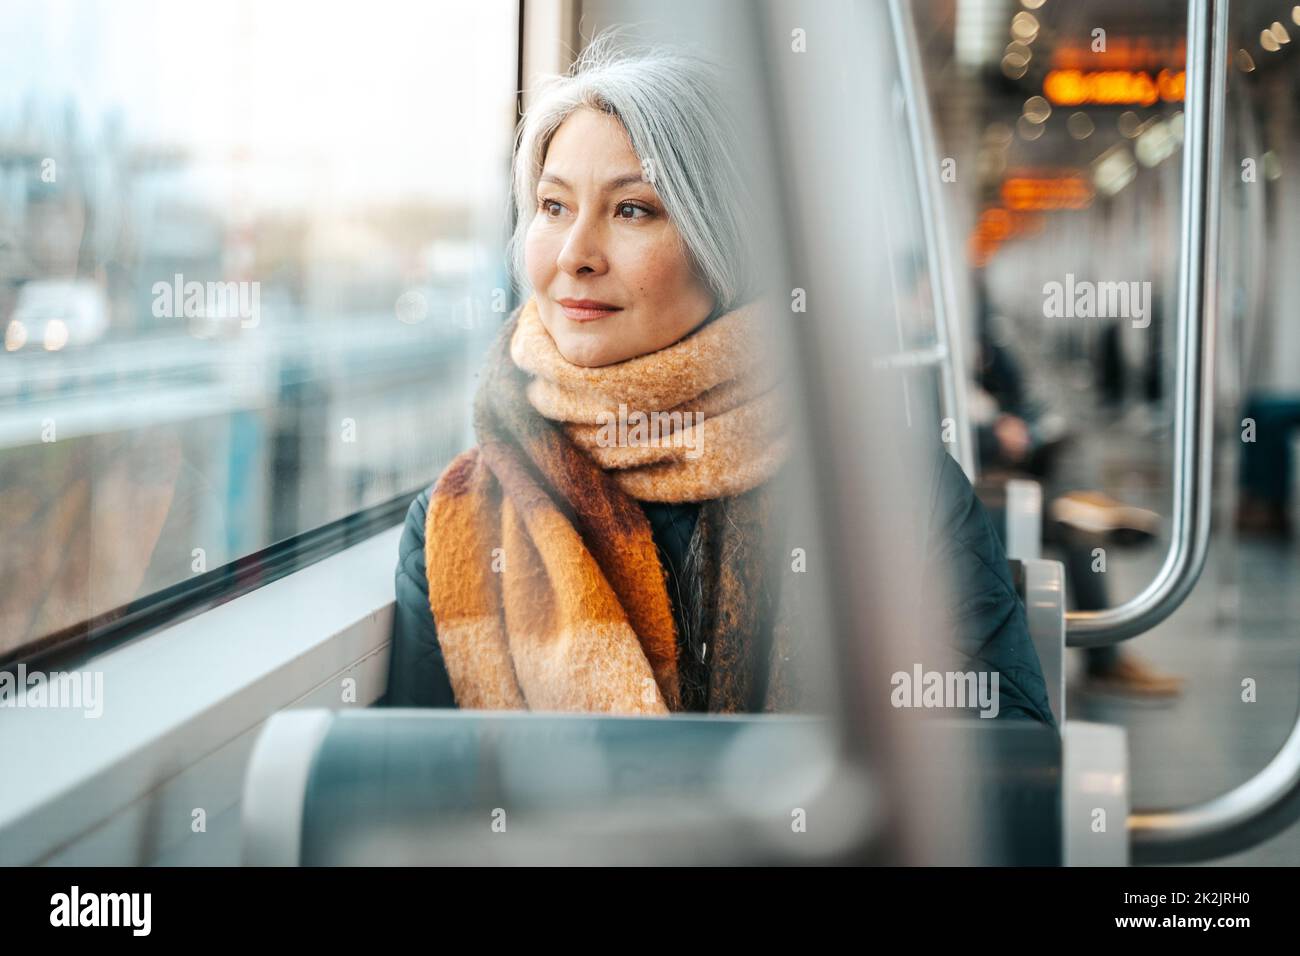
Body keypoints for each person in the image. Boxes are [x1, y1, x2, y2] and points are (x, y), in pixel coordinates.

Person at [382, 32, 1053, 724]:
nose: (575, 253)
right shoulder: (458, 520)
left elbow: (1005, 772)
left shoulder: (891, 494)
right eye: (553, 208)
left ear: (724, 242)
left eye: (632, 209)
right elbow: (414, 803)